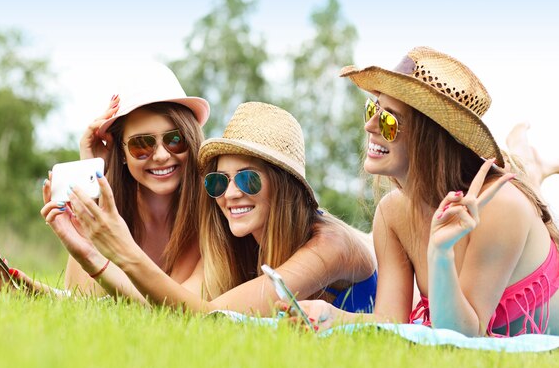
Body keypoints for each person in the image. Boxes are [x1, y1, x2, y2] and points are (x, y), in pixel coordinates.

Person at [286, 47, 559, 336]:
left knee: (524, 186)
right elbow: (392, 323)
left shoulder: (503, 207)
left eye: (389, 121)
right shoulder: (392, 213)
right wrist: (330, 316)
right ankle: (526, 160)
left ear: (429, 138)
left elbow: (463, 337)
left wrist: (440, 254)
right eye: (372, 109)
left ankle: (526, 159)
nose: (369, 126)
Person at [66, 101, 377, 315]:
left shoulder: (329, 246)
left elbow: (209, 315)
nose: (230, 194)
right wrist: (49, 285)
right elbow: (170, 303)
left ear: (283, 185)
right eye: (218, 181)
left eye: (247, 179)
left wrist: (118, 255)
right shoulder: (239, 243)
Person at [0, 63, 210, 302]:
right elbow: (86, 301)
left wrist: (42, 293)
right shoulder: (112, 212)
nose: (162, 155)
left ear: (192, 138)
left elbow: (180, 308)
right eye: (141, 144)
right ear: (121, 152)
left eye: (175, 139)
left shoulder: (211, 211)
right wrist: (90, 172)